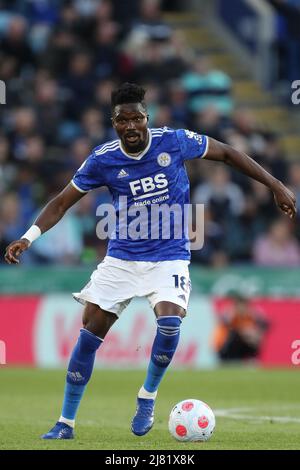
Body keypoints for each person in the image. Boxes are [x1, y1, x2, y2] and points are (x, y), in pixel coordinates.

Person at [4, 83, 296, 439]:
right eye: (122, 120)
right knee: (89, 334)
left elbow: (228, 153)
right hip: (122, 259)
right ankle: (65, 423)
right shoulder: (103, 158)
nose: (130, 126)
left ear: (147, 118)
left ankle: (147, 395)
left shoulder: (173, 141)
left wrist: (275, 184)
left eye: (137, 118)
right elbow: (62, 202)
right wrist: (28, 237)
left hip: (168, 256)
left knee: (170, 324)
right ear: (114, 123)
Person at [213, 293, 269, 362]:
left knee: (255, 335)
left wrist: (255, 314)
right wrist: (245, 332)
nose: (242, 308)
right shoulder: (230, 314)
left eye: (244, 305)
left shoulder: (250, 316)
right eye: (240, 305)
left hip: (242, 345)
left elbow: (266, 324)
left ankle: (251, 359)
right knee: (236, 334)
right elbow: (224, 322)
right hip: (223, 347)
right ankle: (230, 360)